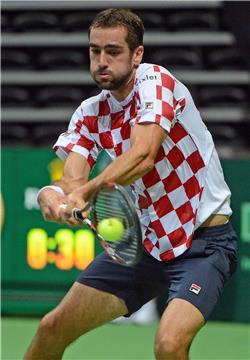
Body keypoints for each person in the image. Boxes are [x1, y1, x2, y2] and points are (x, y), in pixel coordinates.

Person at [24, 8, 237, 360]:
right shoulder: (90, 113)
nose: (101, 61)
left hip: (204, 244)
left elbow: (143, 156)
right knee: (52, 328)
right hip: (143, 247)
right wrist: (55, 197)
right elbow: (71, 181)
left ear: (137, 54)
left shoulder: (156, 82)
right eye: (95, 51)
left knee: (169, 344)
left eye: (113, 51)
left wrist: (85, 192)